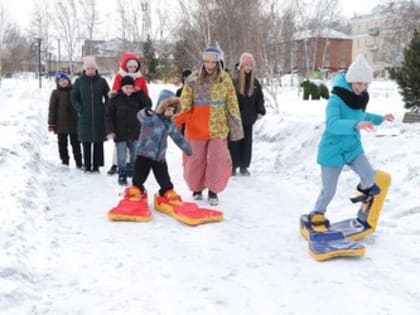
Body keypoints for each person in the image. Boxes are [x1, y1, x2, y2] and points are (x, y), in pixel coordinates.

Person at [308, 54, 394, 225]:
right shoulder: (336, 99)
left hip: (352, 147)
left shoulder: (360, 98)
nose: (361, 87)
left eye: (365, 84)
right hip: (332, 149)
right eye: (358, 83)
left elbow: (362, 115)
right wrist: (355, 125)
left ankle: (364, 193)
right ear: (350, 80)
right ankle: (317, 212)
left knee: (369, 177)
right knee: (329, 190)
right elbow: (332, 124)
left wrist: (380, 118)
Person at [175, 46, 243, 206]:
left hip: (218, 128)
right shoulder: (193, 80)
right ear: (203, 61)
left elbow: (232, 104)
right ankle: (197, 188)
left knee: (218, 159)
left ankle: (213, 190)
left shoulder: (225, 80)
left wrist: (235, 128)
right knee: (194, 160)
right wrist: (176, 121)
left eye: (213, 62)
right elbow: (183, 104)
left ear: (218, 62)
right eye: (207, 62)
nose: (210, 65)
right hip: (196, 128)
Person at [132, 89, 192, 200]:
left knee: (163, 177)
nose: (170, 112)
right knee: (139, 175)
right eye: (168, 109)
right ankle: (137, 188)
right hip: (144, 154)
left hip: (159, 157)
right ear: (161, 107)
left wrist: (188, 150)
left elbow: (178, 138)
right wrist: (146, 111)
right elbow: (140, 115)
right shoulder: (151, 118)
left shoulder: (170, 123)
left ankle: (166, 190)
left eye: (172, 110)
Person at [108, 52, 149, 175]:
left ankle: (132, 167)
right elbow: (115, 88)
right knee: (120, 148)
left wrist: (140, 92)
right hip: (121, 116)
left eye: (134, 66)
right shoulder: (120, 76)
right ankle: (116, 165)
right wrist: (115, 94)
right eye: (130, 66)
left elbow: (145, 95)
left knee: (134, 148)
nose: (132, 68)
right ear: (126, 66)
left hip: (135, 110)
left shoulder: (140, 77)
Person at [106, 76, 152, 185]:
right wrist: (110, 131)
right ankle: (122, 175)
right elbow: (109, 116)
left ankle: (135, 174)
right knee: (121, 157)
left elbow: (148, 105)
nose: (129, 90)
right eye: (127, 87)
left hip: (135, 133)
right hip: (120, 133)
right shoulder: (115, 99)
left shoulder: (138, 98)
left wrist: (140, 92)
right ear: (121, 87)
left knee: (135, 156)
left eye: (131, 88)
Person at [71, 55, 110, 173]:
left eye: (93, 68)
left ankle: (96, 166)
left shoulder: (102, 81)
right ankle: (87, 166)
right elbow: (73, 97)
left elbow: (108, 96)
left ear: (96, 69)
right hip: (84, 117)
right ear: (85, 69)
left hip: (99, 116)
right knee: (86, 142)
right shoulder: (79, 82)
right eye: (88, 69)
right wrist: (79, 108)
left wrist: (105, 108)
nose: (91, 71)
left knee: (98, 142)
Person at [229, 52, 265, 176]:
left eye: (251, 65)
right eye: (246, 65)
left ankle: (244, 165)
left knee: (247, 143)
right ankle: (233, 166)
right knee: (234, 143)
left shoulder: (255, 82)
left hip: (249, 118)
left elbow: (260, 98)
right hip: (236, 118)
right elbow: (230, 98)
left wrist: (260, 110)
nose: (249, 68)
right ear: (242, 65)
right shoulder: (235, 81)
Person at [48, 71, 82, 168]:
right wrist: (52, 123)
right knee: (62, 144)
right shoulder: (55, 93)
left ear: (68, 80)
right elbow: (52, 109)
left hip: (74, 123)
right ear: (57, 82)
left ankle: (79, 162)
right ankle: (65, 161)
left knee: (76, 144)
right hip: (60, 124)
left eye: (65, 80)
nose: (63, 82)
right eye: (60, 81)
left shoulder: (74, 91)